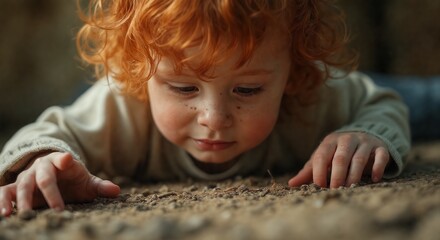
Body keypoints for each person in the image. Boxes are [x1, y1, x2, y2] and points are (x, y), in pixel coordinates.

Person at [0, 0, 410, 216]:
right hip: (111, 91)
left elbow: (381, 102)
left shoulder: (316, 96)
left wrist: (367, 133)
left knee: (420, 99)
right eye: (183, 87)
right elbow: (46, 131)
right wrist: (45, 159)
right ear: (140, 72)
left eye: (247, 90)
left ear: (295, 72)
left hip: (356, 76)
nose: (214, 118)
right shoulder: (119, 108)